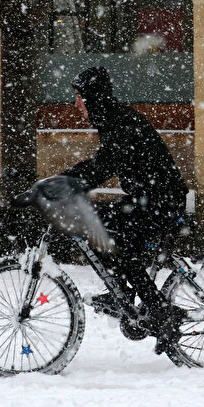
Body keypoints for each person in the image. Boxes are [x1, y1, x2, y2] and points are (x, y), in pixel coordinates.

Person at [62, 66, 188, 353]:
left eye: (80, 96)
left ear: (93, 98)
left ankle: (159, 311)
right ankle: (122, 292)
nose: (76, 104)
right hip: (151, 197)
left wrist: (65, 182)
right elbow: (104, 162)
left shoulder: (120, 123)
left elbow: (104, 165)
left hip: (160, 200)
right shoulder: (113, 119)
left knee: (115, 241)